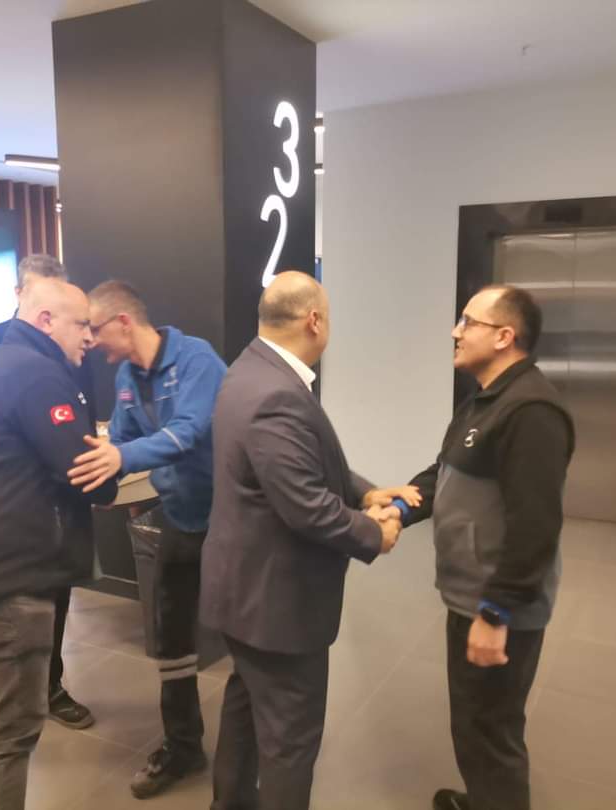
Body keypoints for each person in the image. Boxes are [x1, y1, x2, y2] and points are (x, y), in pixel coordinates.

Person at [199, 271, 417, 810]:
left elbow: (297, 466)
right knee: (289, 743)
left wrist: (364, 493)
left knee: (245, 710)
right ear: (314, 321)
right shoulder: (277, 392)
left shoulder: (247, 370)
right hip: (276, 608)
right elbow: (305, 505)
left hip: (242, 594)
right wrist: (374, 532)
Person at [389, 285, 574, 810]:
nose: (456, 331)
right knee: (474, 721)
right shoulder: (487, 399)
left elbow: (536, 526)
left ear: (504, 336)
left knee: (492, 730)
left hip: (497, 604)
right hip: (470, 594)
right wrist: (400, 507)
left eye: (467, 322)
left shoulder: (532, 411)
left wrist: (496, 612)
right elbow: (443, 470)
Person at [0, 277, 118, 810]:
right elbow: (87, 473)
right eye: (81, 324)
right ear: (45, 320)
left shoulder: (0, 363)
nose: (89, 337)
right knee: (10, 733)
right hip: (10, 581)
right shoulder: (36, 373)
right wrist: (112, 469)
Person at [67, 280, 227, 799]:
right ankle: (183, 746)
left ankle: (257, 749)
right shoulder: (127, 377)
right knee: (172, 639)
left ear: (123, 322)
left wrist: (122, 457)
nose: (90, 340)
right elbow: (124, 438)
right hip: (180, 518)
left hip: (229, 521)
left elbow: (189, 432)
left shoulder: (196, 360)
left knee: (248, 635)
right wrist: (101, 467)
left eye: (94, 328)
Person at [0, 254, 96, 731]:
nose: (88, 337)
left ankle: (46, 685)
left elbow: (78, 429)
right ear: (27, 300)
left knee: (47, 616)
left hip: (44, 533)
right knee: (6, 724)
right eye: (81, 324)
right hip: (9, 542)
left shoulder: (60, 355)